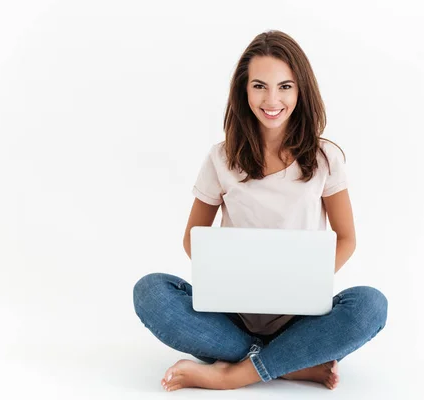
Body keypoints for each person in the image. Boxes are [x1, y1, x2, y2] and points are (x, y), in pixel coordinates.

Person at [133, 30, 388, 392]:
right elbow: (193, 239)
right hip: (231, 313)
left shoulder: (325, 158)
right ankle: (288, 362)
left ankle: (235, 373)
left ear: (301, 91)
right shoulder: (221, 158)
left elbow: (346, 239)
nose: (272, 99)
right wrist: (227, 276)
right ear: (244, 90)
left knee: (370, 306)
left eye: (285, 86)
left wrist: (305, 280)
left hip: (300, 315)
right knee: (150, 291)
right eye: (259, 86)